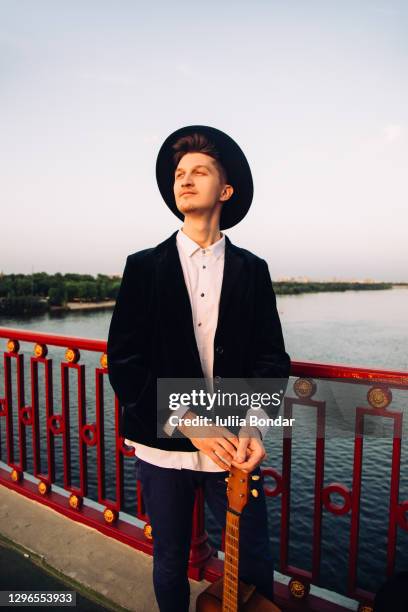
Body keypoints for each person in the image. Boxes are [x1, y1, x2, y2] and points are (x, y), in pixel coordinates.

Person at [107, 125, 291, 612]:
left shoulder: (253, 269)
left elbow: (271, 358)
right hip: (162, 447)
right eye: (179, 173)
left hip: (232, 444)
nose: (184, 180)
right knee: (168, 560)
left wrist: (253, 424)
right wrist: (190, 422)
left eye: (200, 171)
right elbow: (124, 364)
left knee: (252, 559)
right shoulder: (143, 267)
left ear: (225, 191)